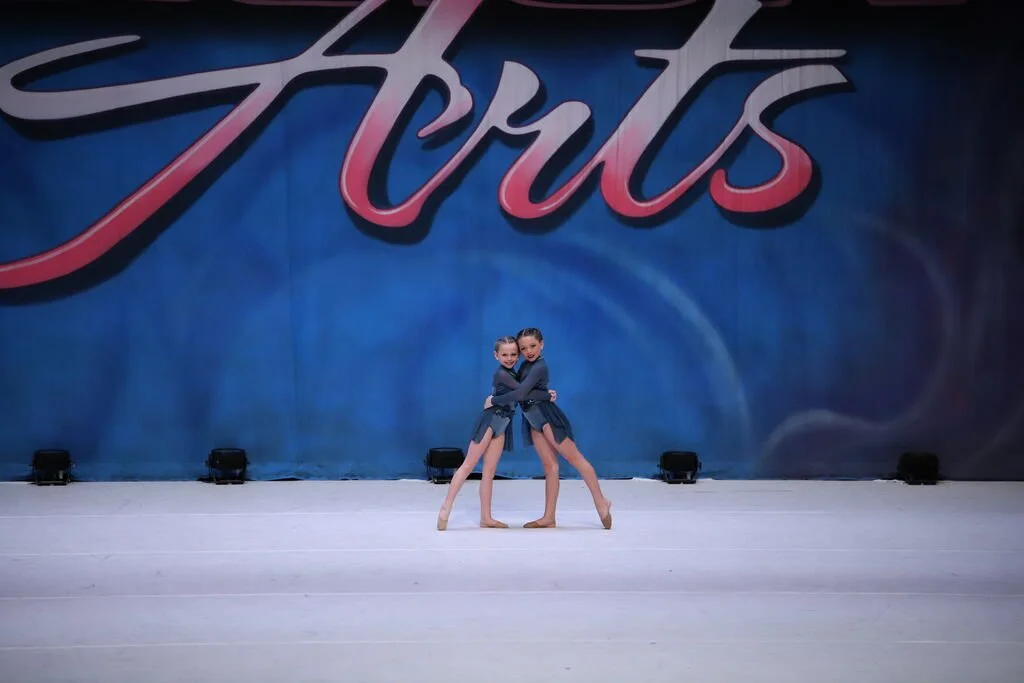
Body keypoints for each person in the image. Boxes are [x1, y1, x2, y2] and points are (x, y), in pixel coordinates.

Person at [485, 327, 612, 530]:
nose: (529, 351)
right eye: (524, 348)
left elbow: (521, 394)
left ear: (542, 344)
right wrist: (545, 393)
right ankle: (549, 517)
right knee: (550, 467)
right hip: (533, 419)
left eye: (533, 346)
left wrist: (494, 400)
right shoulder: (526, 366)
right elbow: (525, 391)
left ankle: (601, 501)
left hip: (547, 418)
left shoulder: (539, 367)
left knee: (575, 458)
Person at [436, 336, 556, 531]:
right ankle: (446, 506)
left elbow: (523, 392)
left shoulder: (514, 373)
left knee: (489, 472)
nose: (509, 358)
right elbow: (522, 394)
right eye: (504, 354)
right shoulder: (502, 374)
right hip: (491, 421)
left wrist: (545, 394)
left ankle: (486, 518)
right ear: (496, 355)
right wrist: (546, 395)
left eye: (513, 354)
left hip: (504, 423)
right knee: (468, 465)